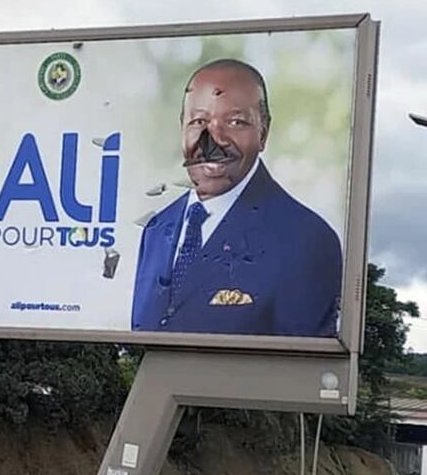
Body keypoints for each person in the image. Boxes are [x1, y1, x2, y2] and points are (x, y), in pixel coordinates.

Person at [131, 58, 342, 337]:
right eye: (199, 121)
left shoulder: (306, 240)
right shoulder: (156, 230)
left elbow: (297, 370)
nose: (213, 138)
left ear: (263, 132)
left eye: (235, 122)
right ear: (182, 127)